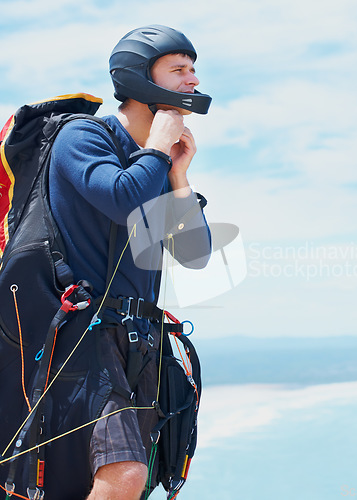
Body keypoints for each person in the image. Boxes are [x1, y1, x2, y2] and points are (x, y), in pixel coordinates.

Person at [48, 25, 212, 499]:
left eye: (193, 71)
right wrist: (158, 150)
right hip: (81, 339)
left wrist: (179, 175)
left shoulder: (156, 168)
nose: (192, 82)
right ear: (141, 80)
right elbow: (122, 200)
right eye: (178, 70)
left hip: (138, 344)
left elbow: (195, 254)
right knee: (124, 475)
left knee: (130, 482)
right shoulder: (81, 136)